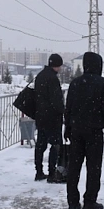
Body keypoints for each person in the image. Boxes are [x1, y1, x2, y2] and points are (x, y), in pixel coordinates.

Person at [64, 52, 104, 209]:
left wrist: (67, 127)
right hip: (94, 131)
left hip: (76, 130)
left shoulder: (75, 83)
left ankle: (72, 201)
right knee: (94, 167)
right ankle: (89, 201)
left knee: (74, 167)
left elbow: (69, 107)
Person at [34, 53, 65, 182]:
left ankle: (39, 172)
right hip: (52, 117)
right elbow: (56, 100)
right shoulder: (52, 78)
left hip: (41, 116)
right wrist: (63, 112)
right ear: (57, 65)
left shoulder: (40, 76)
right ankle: (52, 173)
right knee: (56, 144)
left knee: (41, 144)